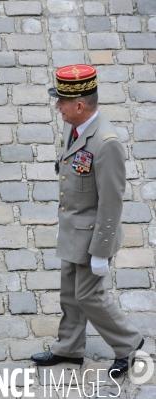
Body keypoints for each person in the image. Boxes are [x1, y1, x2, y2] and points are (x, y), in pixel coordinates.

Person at [31, 64, 143, 377]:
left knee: (90, 295)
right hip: (73, 230)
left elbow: (111, 201)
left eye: (62, 102)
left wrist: (101, 251)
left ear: (79, 106)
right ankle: (69, 347)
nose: (57, 106)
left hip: (94, 236)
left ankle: (130, 346)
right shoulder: (74, 126)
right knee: (70, 291)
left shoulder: (106, 143)